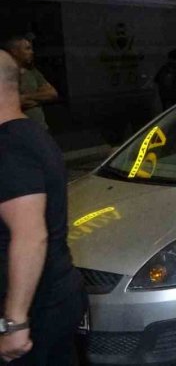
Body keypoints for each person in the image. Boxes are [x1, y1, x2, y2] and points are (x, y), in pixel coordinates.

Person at [0, 50, 85, 365]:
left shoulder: (9, 148)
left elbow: (30, 236)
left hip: (36, 305)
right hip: (54, 294)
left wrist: (15, 322)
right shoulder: (31, 135)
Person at [2, 36, 58, 131]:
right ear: (15, 51)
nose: (32, 52)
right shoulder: (5, 74)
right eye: (27, 49)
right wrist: (38, 98)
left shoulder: (32, 72)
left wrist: (26, 97)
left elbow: (52, 93)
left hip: (40, 128)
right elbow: (11, 103)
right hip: (17, 130)